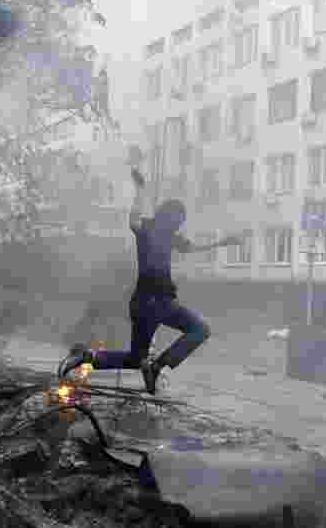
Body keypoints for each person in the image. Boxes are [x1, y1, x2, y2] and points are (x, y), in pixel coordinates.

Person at [58, 167, 242, 394]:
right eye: (179, 220)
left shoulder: (166, 235)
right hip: (157, 302)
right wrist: (141, 191)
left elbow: (191, 247)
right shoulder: (150, 228)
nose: (179, 225)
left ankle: (85, 356)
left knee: (136, 358)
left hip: (145, 303)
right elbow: (133, 220)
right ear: (170, 216)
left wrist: (222, 243)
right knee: (200, 329)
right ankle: (156, 366)